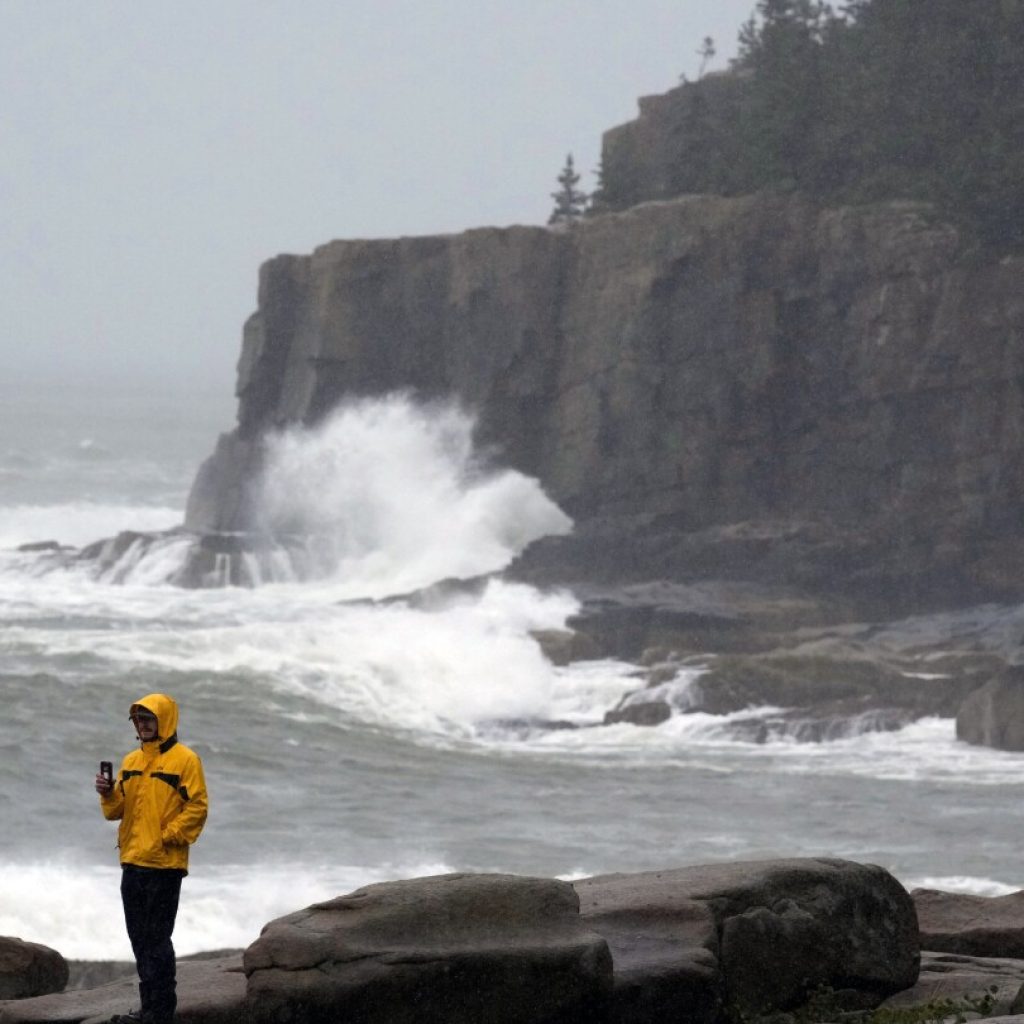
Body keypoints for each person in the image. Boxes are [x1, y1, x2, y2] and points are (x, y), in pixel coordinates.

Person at [95, 693, 208, 1024]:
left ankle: (160, 1013)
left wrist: (168, 837)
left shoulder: (186, 760)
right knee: (139, 940)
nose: (142, 725)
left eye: (147, 719)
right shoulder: (131, 762)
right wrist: (107, 793)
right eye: (137, 720)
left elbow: (198, 806)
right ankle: (149, 1010)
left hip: (164, 866)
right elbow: (116, 811)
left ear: (164, 720)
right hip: (132, 863)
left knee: (157, 941)